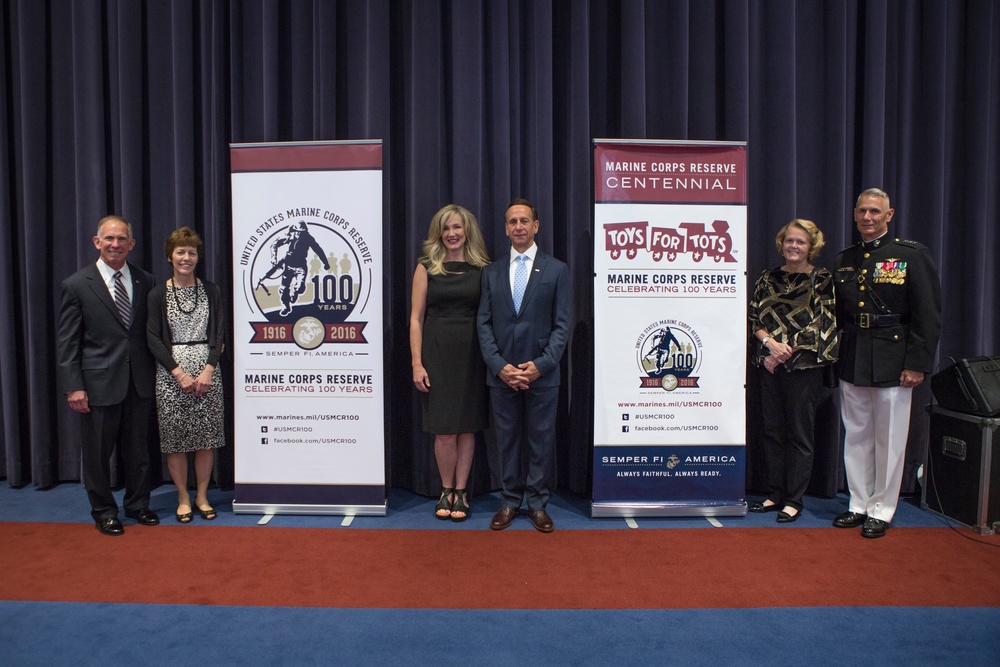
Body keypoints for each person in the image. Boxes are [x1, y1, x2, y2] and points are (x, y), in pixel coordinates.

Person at [832, 188, 942, 538]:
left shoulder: (910, 255)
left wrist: (917, 364)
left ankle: (882, 508)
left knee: (890, 438)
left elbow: (928, 315)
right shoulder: (845, 259)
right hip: (854, 355)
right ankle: (858, 504)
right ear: (854, 214)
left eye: (875, 212)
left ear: (889, 215)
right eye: (862, 211)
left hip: (894, 360)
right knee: (857, 436)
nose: (868, 218)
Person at [57, 215, 159, 536]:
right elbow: (67, 342)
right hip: (98, 384)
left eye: (122, 239)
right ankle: (104, 511)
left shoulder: (146, 281)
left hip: (139, 381)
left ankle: (138, 504)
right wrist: (74, 386)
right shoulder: (76, 285)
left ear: (131, 244)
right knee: (98, 454)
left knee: (139, 451)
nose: (116, 245)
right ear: (96, 242)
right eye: (109, 239)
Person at [478, 198, 570, 533]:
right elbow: (483, 324)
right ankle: (508, 501)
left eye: (524, 221)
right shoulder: (491, 273)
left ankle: (537, 504)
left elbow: (563, 326)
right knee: (506, 442)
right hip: (501, 376)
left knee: (540, 442)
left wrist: (541, 365)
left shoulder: (557, 270)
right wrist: (499, 366)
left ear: (536, 226)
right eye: (512, 221)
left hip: (542, 376)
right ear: (505, 228)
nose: (518, 226)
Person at [748, 219, 838, 523]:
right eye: (789, 241)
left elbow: (824, 324)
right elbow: (754, 319)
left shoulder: (821, 279)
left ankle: (794, 500)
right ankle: (775, 492)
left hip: (804, 367)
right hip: (769, 365)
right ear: (781, 244)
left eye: (800, 242)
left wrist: (785, 352)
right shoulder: (767, 277)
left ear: (811, 246)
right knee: (773, 431)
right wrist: (770, 345)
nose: (794, 247)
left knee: (800, 435)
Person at [409, 205, 491, 521]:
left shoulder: (482, 268)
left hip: (472, 353)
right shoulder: (426, 266)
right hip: (436, 352)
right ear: (438, 233)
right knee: (444, 430)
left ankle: (462, 491)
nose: (452, 234)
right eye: (446, 228)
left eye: (457, 227)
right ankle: (445, 489)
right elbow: (416, 319)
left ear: (467, 230)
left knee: (467, 427)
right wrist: (417, 363)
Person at [147, 227, 226, 523]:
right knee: (175, 439)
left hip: (208, 372)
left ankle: (202, 496)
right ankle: (182, 497)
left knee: (206, 438)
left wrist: (208, 369)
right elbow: (153, 338)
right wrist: (178, 373)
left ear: (198, 257)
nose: (186, 257)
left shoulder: (211, 290)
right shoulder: (157, 294)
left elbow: (219, 333)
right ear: (170, 256)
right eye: (180, 252)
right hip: (171, 373)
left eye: (192, 252)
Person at [268, 220, 329, 316]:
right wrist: (273, 259)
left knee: (300, 287)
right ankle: (286, 306)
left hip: (300, 266)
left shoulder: (308, 238)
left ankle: (295, 292)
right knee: (284, 288)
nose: (300, 234)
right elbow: (274, 244)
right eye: (299, 232)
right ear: (295, 231)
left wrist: (325, 262)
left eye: (302, 232)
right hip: (288, 265)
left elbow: (318, 249)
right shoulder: (289, 236)